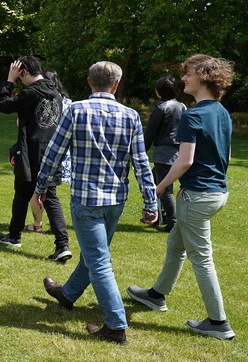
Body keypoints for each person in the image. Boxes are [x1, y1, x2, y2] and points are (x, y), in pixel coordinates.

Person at [34, 61, 158, 345]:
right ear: (116, 85)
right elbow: (141, 163)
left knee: (99, 261)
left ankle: (115, 326)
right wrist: (151, 202)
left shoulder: (75, 110)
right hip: (115, 200)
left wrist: (40, 187)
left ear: (90, 82)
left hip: (87, 199)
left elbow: (54, 153)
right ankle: (67, 295)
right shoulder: (131, 116)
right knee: (95, 253)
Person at [127, 55, 236, 340]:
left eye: (188, 75)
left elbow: (184, 160)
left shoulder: (194, 115)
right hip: (216, 194)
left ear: (203, 76)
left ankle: (218, 322)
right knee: (176, 245)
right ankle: (156, 295)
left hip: (197, 197)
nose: (183, 79)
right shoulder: (221, 112)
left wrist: (159, 187)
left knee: (202, 259)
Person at [0, 56, 71, 262]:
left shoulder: (30, 92)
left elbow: (3, 105)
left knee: (22, 193)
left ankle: (15, 236)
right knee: (49, 197)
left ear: (24, 72)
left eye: (19, 76)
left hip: (30, 152)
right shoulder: (55, 93)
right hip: (51, 151)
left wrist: (9, 81)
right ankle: (61, 245)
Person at [25, 69, 72, 233]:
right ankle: (52, 228)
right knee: (49, 192)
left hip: (44, 149)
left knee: (43, 191)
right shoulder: (68, 102)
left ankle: (39, 225)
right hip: (63, 152)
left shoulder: (43, 99)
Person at [140, 76, 187, 232]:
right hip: (180, 150)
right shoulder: (182, 106)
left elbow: (150, 133)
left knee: (164, 187)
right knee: (155, 181)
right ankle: (159, 215)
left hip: (164, 152)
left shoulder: (161, 108)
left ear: (159, 91)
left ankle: (172, 221)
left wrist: (141, 153)